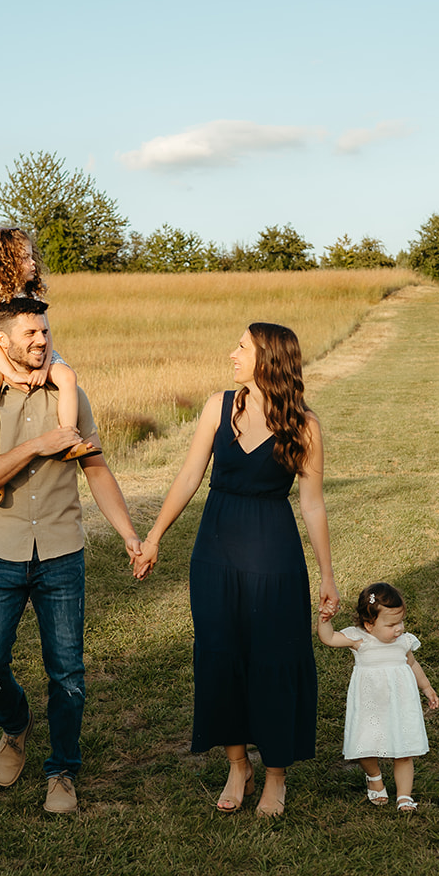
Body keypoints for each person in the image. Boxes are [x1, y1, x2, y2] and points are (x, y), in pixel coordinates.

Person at [134, 323, 338, 818]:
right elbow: (189, 475)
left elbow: (312, 505)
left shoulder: (303, 425)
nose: (232, 353)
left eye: (242, 347)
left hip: (275, 554)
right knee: (220, 654)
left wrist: (328, 575)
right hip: (216, 551)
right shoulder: (217, 406)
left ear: (267, 359)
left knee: (274, 657)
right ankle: (237, 764)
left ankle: (276, 776)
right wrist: (155, 538)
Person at [0, 295, 141, 814]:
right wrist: (37, 446)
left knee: (68, 673)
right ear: (3, 341)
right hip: (0, 551)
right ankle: (16, 727)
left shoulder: (69, 392)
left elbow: (96, 470)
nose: (41, 341)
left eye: (45, 332)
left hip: (62, 550)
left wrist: (129, 534)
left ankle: (61, 771)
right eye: (30, 335)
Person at [0, 228, 96, 504]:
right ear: (6, 264)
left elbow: (46, 335)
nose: (33, 263)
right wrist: (9, 373)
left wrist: (44, 368)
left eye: (31, 257)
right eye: (24, 258)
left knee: (68, 377)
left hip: (36, 353)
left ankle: (68, 437)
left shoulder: (33, 296)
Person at [317, 581, 439, 811]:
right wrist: (325, 619)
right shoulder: (360, 640)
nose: (398, 629)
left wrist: (427, 688)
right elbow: (329, 638)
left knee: (404, 751)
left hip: (400, 704)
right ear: (369, 625)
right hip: (370, 705)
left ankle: (404, 796)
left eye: (400, 621)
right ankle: (374, 776)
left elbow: (413, 665)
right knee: (365, 746)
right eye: (391, 624)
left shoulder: (402, 642)